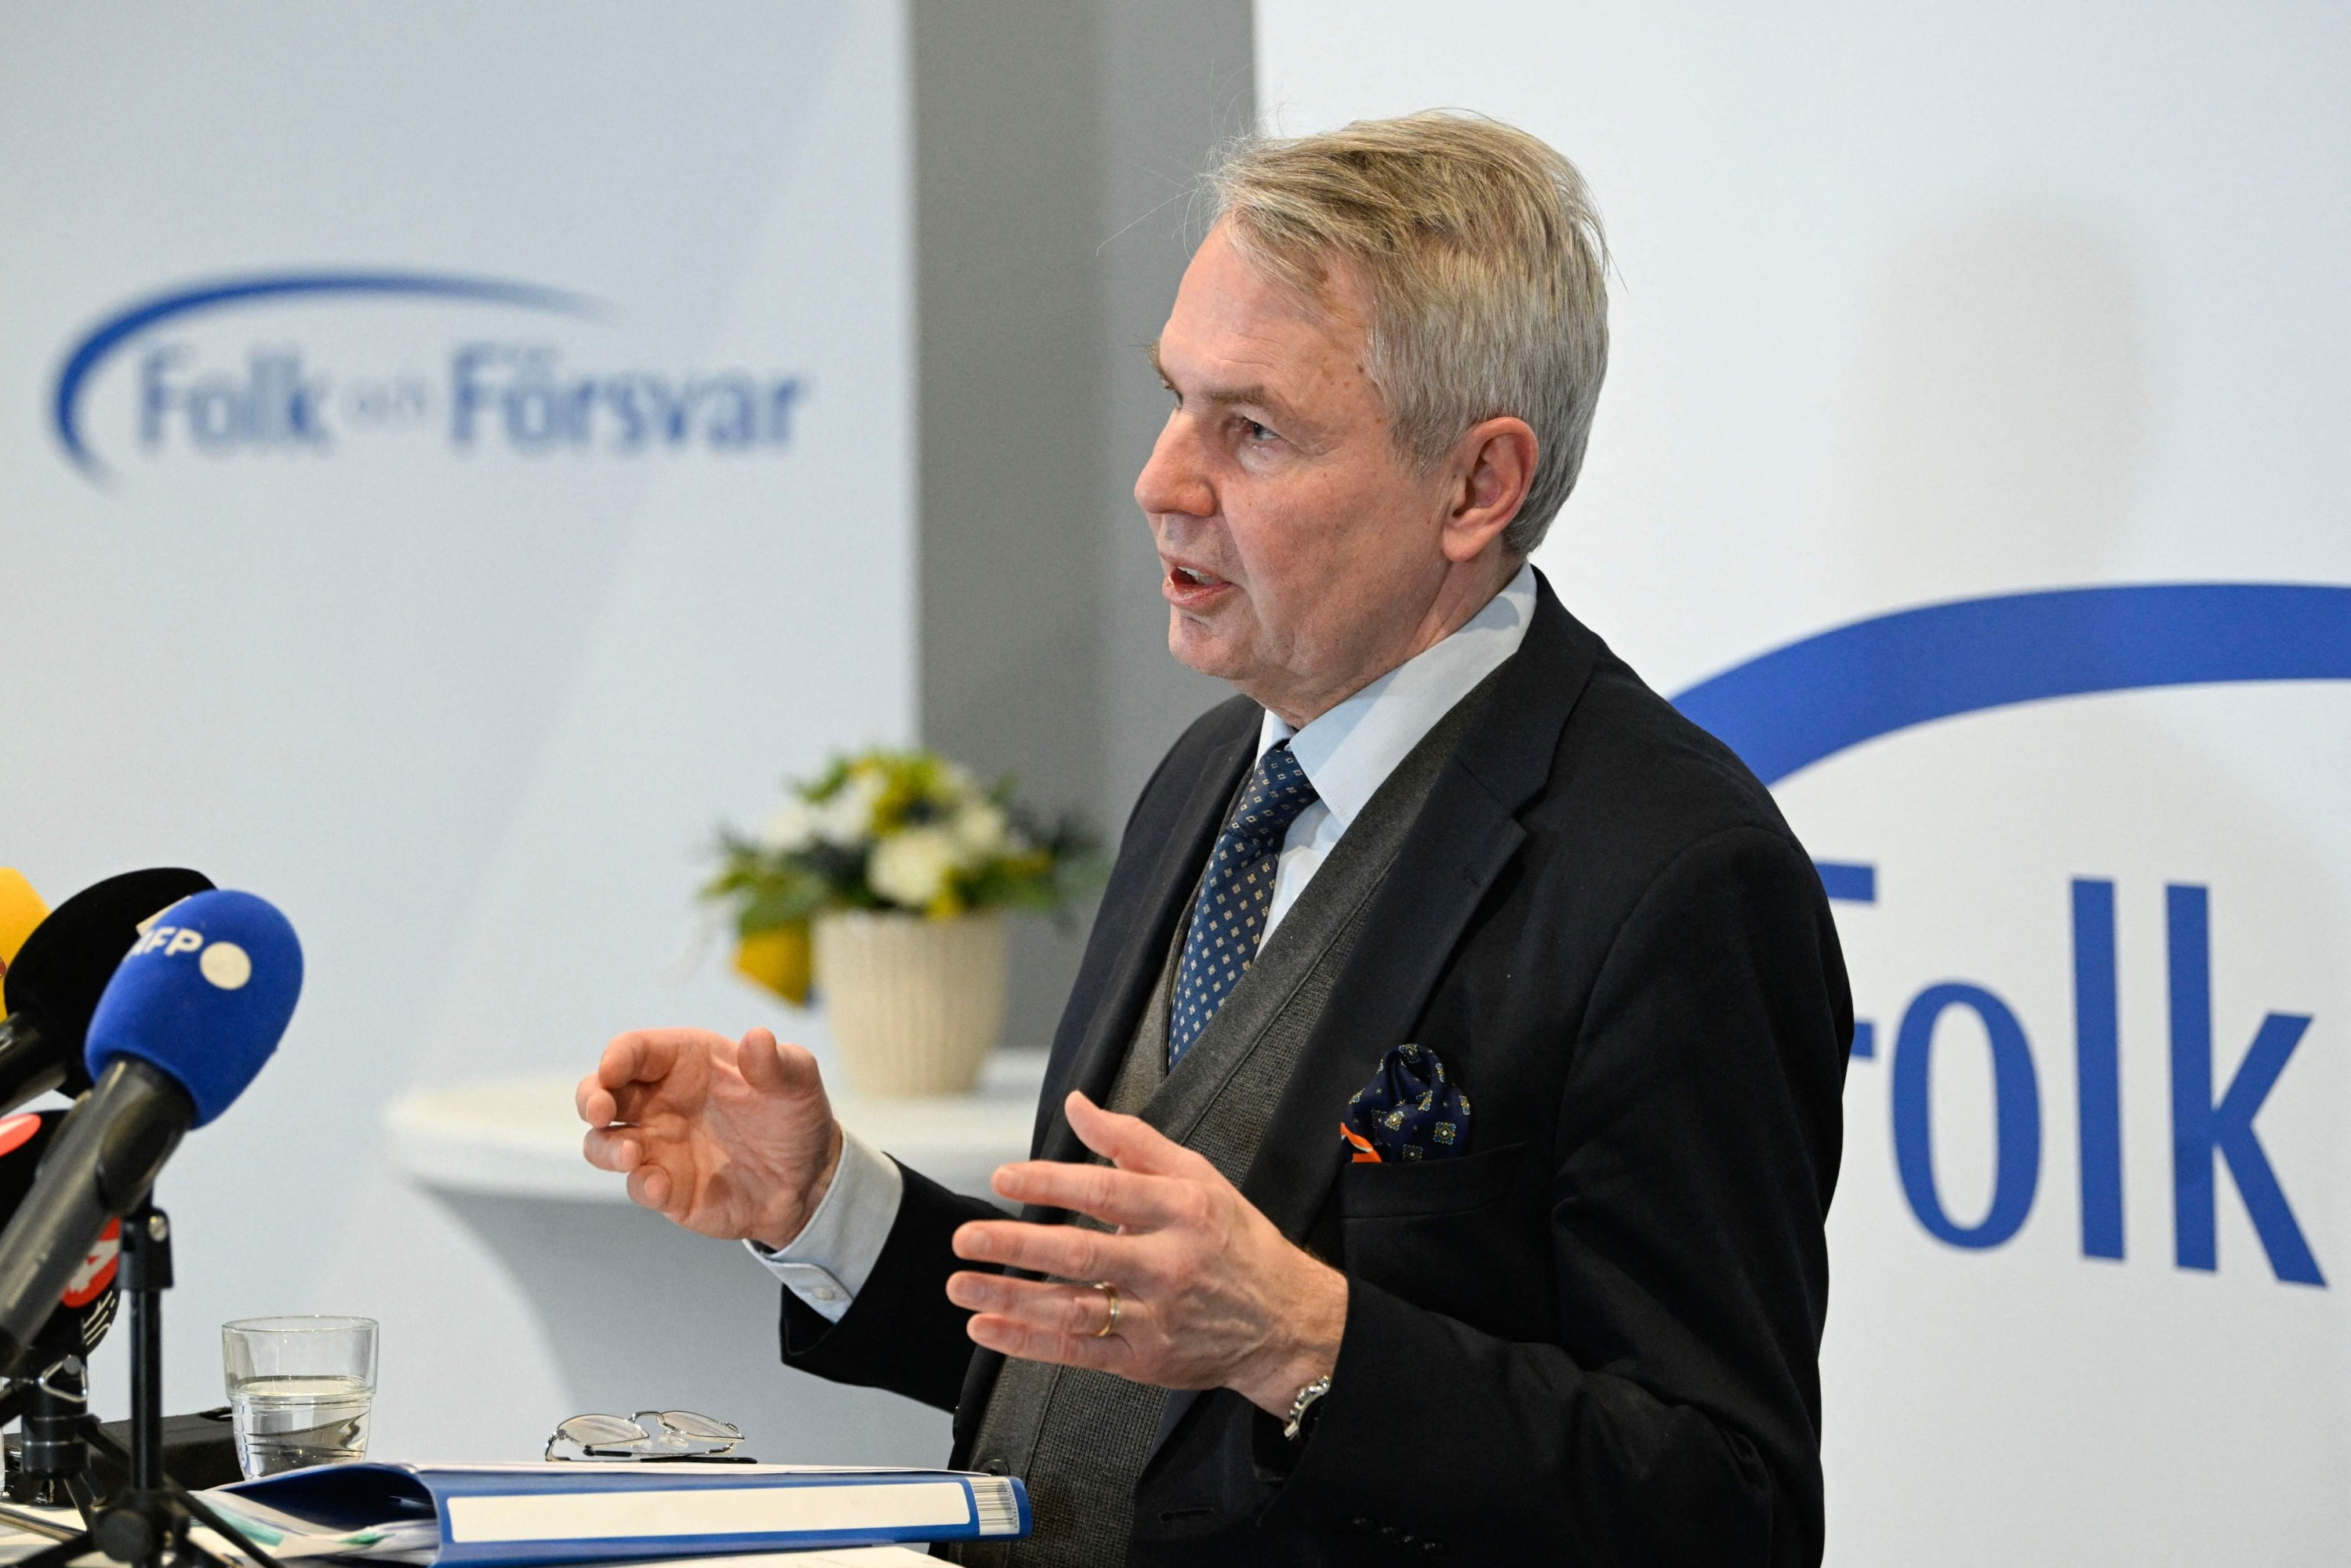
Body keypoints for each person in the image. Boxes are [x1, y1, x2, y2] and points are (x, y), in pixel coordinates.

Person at [578, 111, 1849, 1566]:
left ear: (1478, 487)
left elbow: (1726, 1508)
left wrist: (1312, 1341)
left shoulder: (1674, 878)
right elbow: (1124, 1379)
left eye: (1252, 429)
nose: (1163, 481)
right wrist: (826, 1207)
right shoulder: (1210, 777)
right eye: (1176, 400)